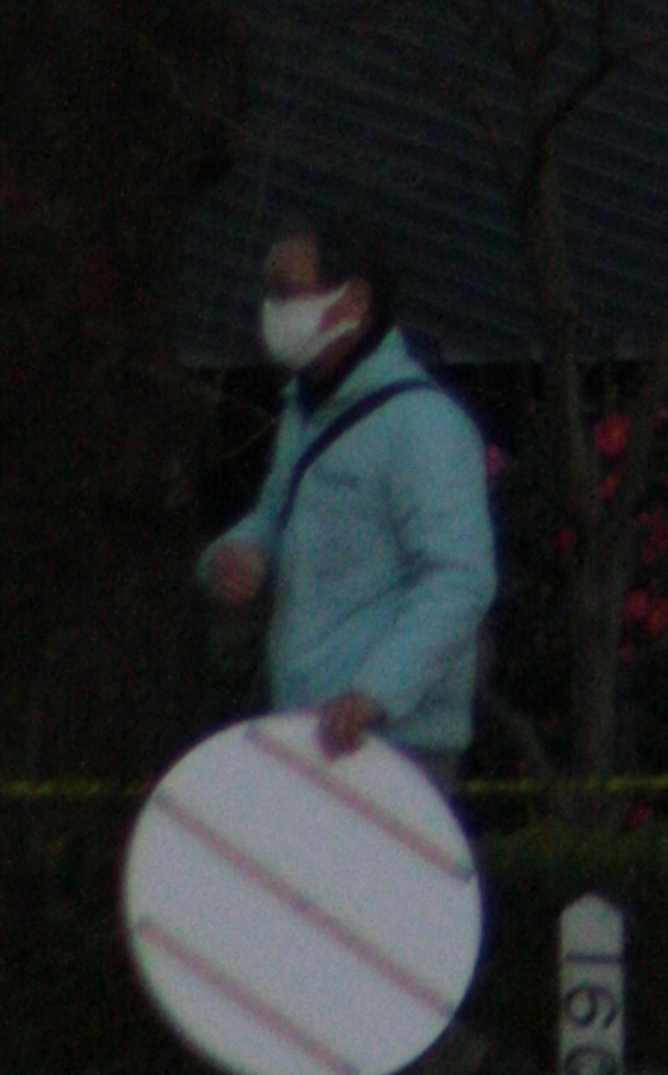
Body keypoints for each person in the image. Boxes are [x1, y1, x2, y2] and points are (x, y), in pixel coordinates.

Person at [198, 211, 497, 768]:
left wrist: (375, 694)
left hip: (396, 742)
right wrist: (229, 557)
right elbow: (273, 517)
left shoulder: (424, 426)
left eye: (288, 293)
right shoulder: (305, 411)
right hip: (311, 727)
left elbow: (459, 578)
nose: (273, 310)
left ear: (356, 300)